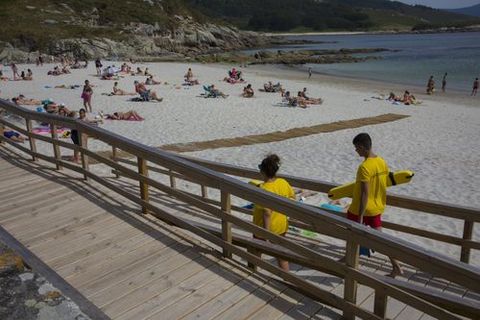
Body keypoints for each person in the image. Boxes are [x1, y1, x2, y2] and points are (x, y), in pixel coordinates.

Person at [344, 133, 402, 277]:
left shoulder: (364, 167)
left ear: (362, 147)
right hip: (377, 207)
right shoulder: (382, 162)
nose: (355, 150)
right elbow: (383, 183)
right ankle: (396, 266)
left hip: (361, 208)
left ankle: (350, 261)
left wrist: (361, 216)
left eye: (356, 148)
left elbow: (364, 193)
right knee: (381, 239)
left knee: (350, 235)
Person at [252, 154, 295, 272]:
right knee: (281, 254)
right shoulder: (283, 182)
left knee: (255, 249)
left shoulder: (263, 188)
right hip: (281, 225)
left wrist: (266, 234)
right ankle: (287, 278)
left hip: (265, 227)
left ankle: (252, 271)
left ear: (262, 171)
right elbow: (292, 197)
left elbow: (266, 213)